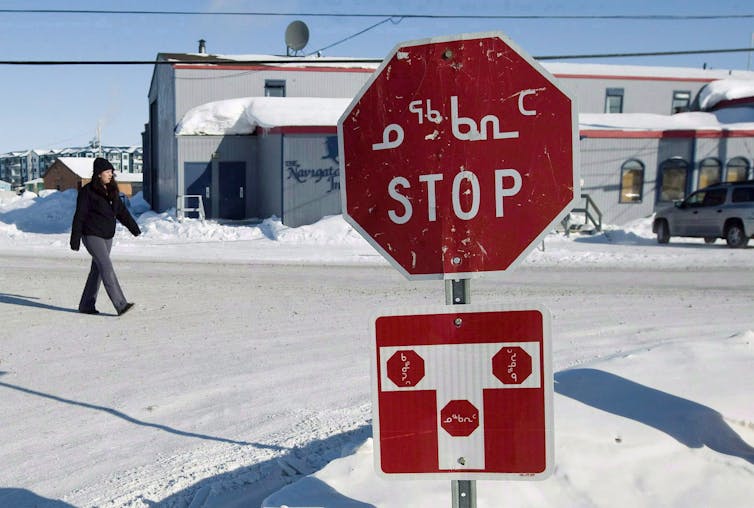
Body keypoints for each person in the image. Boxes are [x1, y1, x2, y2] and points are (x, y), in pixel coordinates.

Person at [70, 157, 141, 316]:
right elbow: (79, 215)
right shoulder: (87, 192)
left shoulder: (112, 191)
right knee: (106, 267)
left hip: (107, 235)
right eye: (107, 171)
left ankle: (86, 305)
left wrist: (134, 228)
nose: (111, 174)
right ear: (99, 173)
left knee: (98, 270)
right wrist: (75, 239)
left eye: (111, 172)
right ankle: (121, 304)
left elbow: (121, 212)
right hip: (91, 235)